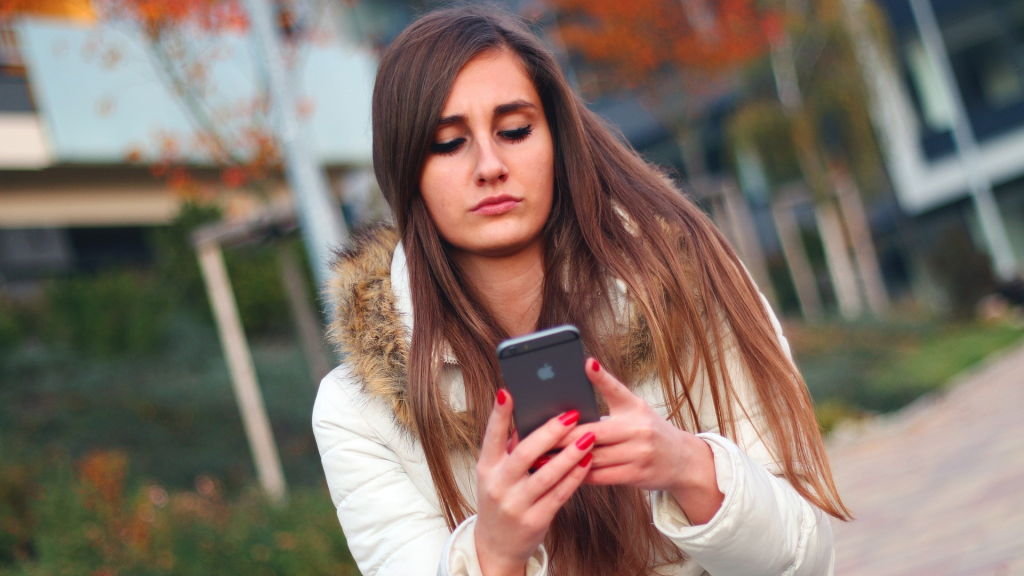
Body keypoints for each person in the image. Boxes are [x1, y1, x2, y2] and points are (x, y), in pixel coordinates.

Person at [313, 6, 850, 576]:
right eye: (449, 143)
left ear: (555, 139)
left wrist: (691, 468)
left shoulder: (690, 286)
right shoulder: (356, 413)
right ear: (404, 168)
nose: (489, 165)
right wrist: (493, 554)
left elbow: (806, 559)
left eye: (514, 130)